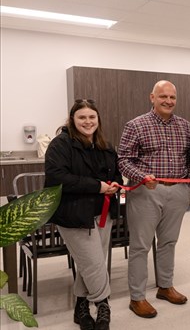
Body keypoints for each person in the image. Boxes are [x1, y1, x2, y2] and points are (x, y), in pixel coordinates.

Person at [117, 80, 190, 319]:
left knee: (169, 242)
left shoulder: (185, 126)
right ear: (152, 97)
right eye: (163, 97)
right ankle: (137, 297)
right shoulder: (136, 125)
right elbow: (123, 160)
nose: (168, 101)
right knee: (141, 246)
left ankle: (165, 286)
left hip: (178, 191)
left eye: (172, 97)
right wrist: (141, 176)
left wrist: (187, 183)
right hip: (146, 192)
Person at [45, 99, 122, 330]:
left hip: (102, 214)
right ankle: (103, 305)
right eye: (82, 117)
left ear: (98, 119)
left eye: (92, 117)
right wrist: (98, 186)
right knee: (95, 264)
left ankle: (80, 306)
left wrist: (116, 184)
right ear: (72, 119)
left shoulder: (105, 145)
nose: (87, 122)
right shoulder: (60, 145)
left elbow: (116, 174)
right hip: (73, 216)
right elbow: (57, 178)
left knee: (90, 264)